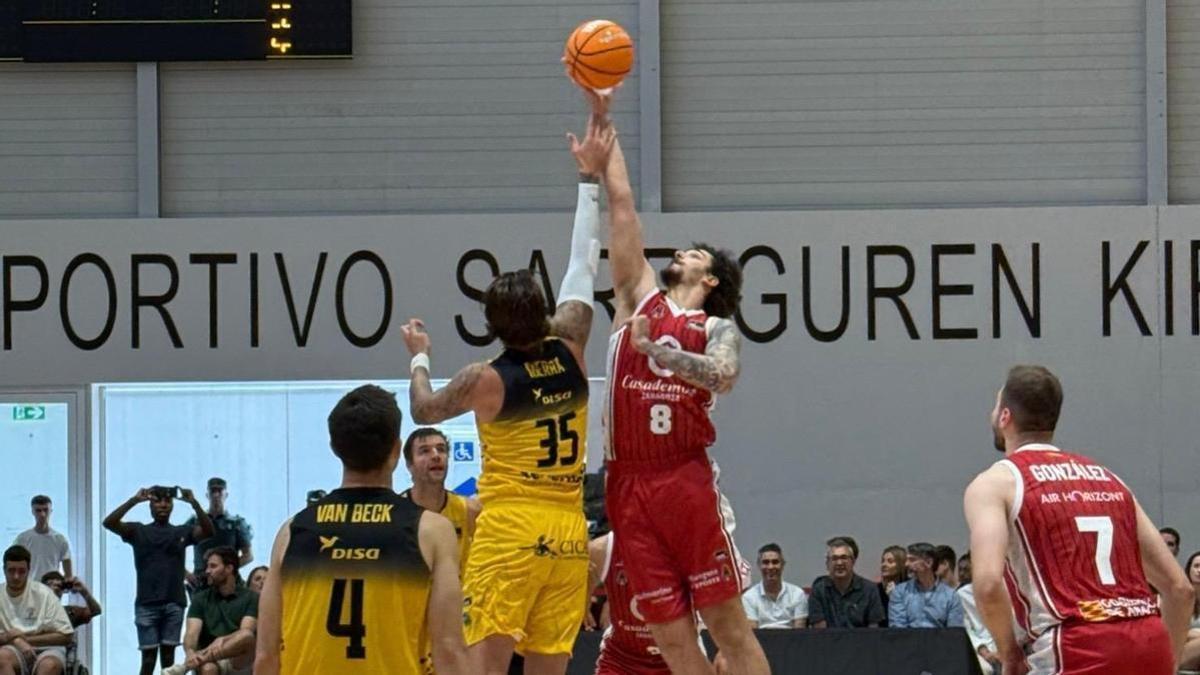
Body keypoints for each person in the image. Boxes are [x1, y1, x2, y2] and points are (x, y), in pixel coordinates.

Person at [399, 108, 612, 675]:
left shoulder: (483, 379)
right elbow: (582, 264)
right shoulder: (572, 345)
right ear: (544, 312)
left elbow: (423, 408)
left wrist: (419, 353)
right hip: (570, 533)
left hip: (511, 529)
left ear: (491, 325)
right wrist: (588, 180)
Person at [596, 88, 767, 674]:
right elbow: (621, 206)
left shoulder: (714, 326)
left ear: (713, 278)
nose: (683, 252)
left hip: (683, 479)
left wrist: (663, 357)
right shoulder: (634, 299)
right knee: (671, 642)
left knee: (728, 629)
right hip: (627, 486)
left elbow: (723, 377)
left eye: (695, 253)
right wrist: (603, 118)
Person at [964, 364, 1194, 675]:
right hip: (1147, 639)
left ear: (1005, 417)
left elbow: (988, 584)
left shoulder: (995, 482)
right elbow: (1180, 589)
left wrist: (1009, 653)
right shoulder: (1110, 479)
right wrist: (1167, 663)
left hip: (1075, 646)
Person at [253, 385, 470, 675]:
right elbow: (449, 650)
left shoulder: (291, 532)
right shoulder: (431, 530)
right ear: (396, 448)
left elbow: (266, 656)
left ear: (334, 448)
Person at [103, 485, 214, 675]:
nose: (163, 505)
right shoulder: (138, 531)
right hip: (146, 603)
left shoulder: (182, 531)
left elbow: (209, 531)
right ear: (150, 506)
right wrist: (134, 500)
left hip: (174, 602)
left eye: (167, 501)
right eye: (157, 501)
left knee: (169, 661)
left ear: (172, 505)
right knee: (147, 660)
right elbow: (109, 523)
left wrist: (194, 503)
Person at [398, 427, 482, 575]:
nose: (436, 456)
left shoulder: (470, 511)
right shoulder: (395, 513)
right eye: (425, 451)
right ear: (409, 464)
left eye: (441, 449)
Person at [164, 547, 257, 675]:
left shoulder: (250, 597)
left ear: (229, 568)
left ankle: (184, 668)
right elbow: (191, 633)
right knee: (208, 669)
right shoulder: (200, 599)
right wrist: (190, 652)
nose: (207, 571)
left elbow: (246, 632)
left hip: (237, 659)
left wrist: (223, 639)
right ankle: (197, 661)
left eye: (213, 566)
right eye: (207, 566)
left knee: (246, 636)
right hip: (208, 662)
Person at [0, 545, 73, 675]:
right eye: (11, 571)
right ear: (4, 570)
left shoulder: (44, 594)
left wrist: (24, 639)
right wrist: (12, 639)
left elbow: (66, 635)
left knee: (49, 666)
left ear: (29, 571)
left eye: (21, 571)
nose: (16, 576)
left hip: (48, 649)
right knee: (2, 658)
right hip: (11, 649)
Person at [185, 478, 253, 590]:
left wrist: (225, 569)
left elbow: (248, 555)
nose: (216, 495)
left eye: (220, 491)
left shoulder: (236, 524)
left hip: (228, 582)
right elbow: (175, 547)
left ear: (226, 494)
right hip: (202, 581)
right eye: (213, 491)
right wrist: (186, 574)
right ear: (208, 495)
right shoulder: (195, 522)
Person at [808, 537, 884, 629]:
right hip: (828, 641)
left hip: (861, 642)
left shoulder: (870, 589)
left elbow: (873, 630)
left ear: (853, 561)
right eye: (834, 558)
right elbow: (820, 632)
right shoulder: (819, 590)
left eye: (844, 558)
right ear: (827, 563)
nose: (839, 563)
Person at [887, 542, 963, 628]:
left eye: (912, 560)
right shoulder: (900, 592)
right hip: (908, 640)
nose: (906, 564)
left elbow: (954, 632)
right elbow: (898, 629)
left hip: (940, 640)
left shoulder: (951, 596)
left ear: (928, 562)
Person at [955, 553, 1002, 675]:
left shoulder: (1008, 589)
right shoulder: (962, 594)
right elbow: (966, 629)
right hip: (981, 648)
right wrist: (983, 651)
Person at [741, 543, 807, 629]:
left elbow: (800, 634)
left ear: (783, 565)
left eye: (775, 562)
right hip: (761, 641)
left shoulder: (797, 594)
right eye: (765, 562)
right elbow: (754, 633)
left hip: (792, 641)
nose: (771, 567)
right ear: (759, 565)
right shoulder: (749, 597)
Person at [13, 497, 72, 583]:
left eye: (45, 510)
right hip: (29, 590)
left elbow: (69, 575)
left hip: (51, 590)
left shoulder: (60, 539)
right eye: (38, 510)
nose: (42, 514)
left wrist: (62, 586)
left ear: (51, 511)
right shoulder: (22, 539)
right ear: (32, 512)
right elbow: (12, 565)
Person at [1179, 550, 1200, 672]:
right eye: (1196, 566)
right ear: (1189, 570)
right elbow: (1169, 633)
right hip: (1181, 652)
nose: (1199, 570)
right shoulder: (1177, 598)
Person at [877, 545, 907, 627]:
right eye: (883, 561)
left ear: (901, 564)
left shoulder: (910, 589)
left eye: (890, 561)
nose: (884, 565)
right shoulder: (876, 590)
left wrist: (894, 597)